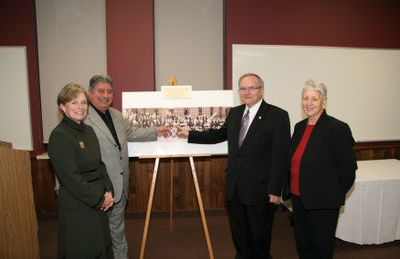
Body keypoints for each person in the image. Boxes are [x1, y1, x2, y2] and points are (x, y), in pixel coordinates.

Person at [178, 73, 290, 259]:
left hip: (260, 190)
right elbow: (219, 135)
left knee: (260, 238)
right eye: (243, 88)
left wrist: (275, 189)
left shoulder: (277, 116)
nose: (247, 92)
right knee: (240, 236)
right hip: (235, 187)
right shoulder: (236, 113)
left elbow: (281, 155)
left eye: (251, 88)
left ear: (261, 90)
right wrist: (190, 135)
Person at [84, 74, 170, 259]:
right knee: (96, 230)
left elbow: (130, 133)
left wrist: (155, 130)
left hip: (119, 183)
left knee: (117, 227)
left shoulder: (115, 115)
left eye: (109, 91)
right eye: (100, 91)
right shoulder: (82, 116)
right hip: (96, 186)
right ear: (90, 93)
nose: (105, 95)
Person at [288, 79, 357, 259]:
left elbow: (348, 171)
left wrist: (331, 196)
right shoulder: (299, 127)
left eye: (314, 99)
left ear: (324, 101)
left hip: (324, 204)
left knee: (321, 250)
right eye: (305, 98)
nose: (308, 103)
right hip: (298, 198)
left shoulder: (337, 129)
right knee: (304, 247)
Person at [48, 83, 114, 258]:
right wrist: (98, 199)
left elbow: (99, 165)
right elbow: (71, 178)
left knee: (101, 249)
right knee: (83, 250)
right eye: (74, 102)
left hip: (98, 203)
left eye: (84, 103)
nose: (80, 107)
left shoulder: (89, 131)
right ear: (62, 106)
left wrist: (108, 191)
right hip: (78, 206)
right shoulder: (59, 135)